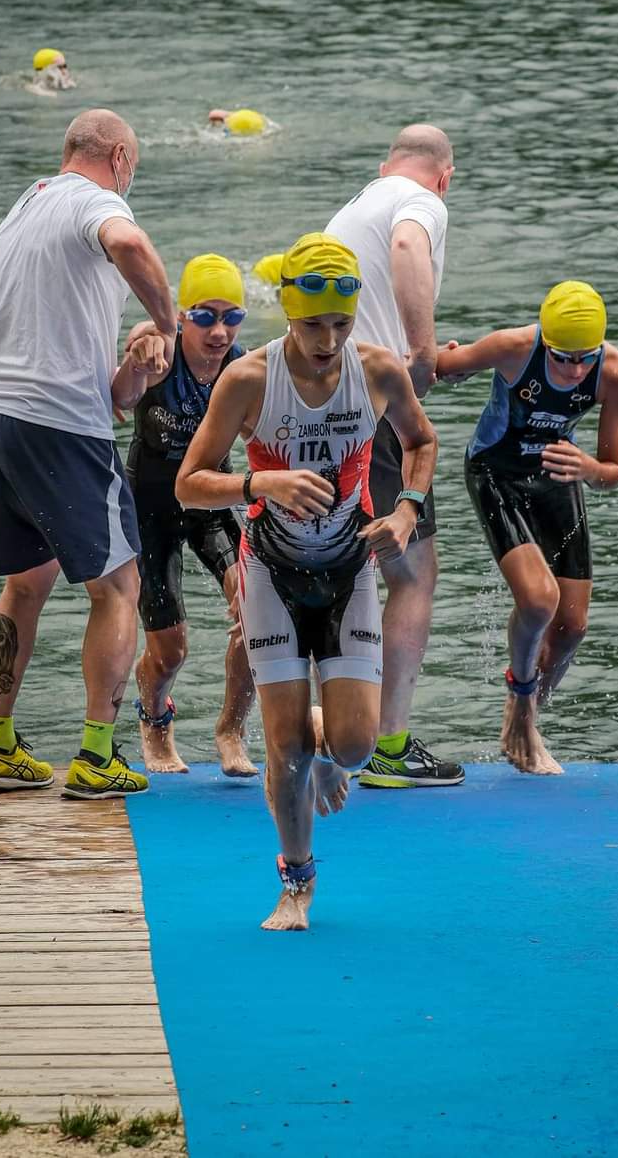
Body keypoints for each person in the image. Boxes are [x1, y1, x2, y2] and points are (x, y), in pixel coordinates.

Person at [176, 234, 438, 930]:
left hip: (350, 568)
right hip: (271, 571)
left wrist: (408, 510)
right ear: (288, 315)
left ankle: (329, 744)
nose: (328, 340)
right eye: (312, 324)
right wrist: (258, 480)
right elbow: (189, 485)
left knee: (353, 747)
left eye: (341, 324)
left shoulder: (379, 371)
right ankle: (296, 884)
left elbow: (422, 441)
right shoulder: (249, 381)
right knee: (286, 749)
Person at [0, 109, 178, 800]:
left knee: (27, 582)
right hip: (55, 424)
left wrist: (133, 373)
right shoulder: (98, 202)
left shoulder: (22, 210)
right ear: (117, 157)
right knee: (119, 588)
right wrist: (169, 325)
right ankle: (95, 755)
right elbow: (132, 244)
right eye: (133, 169)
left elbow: (105, 386)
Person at [436, 282, 618, 773]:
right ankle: (523, 705)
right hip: (494, 472)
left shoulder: (615, 375)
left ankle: (522, 718)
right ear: (544, 340)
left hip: (558, 476)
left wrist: (589, 468)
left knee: (571, 627)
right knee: (539, 600)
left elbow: (611, 472)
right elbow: (436, 366)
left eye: (584, 358)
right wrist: (451, 364)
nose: (573, 371)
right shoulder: (512, 348)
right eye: (562, 357)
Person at [324, 124, 464, 787]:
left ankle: (322, 727)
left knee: (339, 564)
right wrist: (424, 354)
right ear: (444, 175)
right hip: (377, 404)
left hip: (322, 402)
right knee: (413, 573)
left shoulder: (353, 207)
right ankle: (389, 747)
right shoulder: (422, 202)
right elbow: (408, 246)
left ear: (385, 165)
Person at [111, 253, 256, 778]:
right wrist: (135, 360)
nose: (218, 332)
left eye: (231, 317)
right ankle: (155, 721)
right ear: (181, 316)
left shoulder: (243, 369)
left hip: (209, 505)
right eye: (204, 317)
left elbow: (261, 438)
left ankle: (230, 729)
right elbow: (118, 399)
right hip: (150, 507)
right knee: (170, 650)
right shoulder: (158, 351)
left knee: (256, 612)